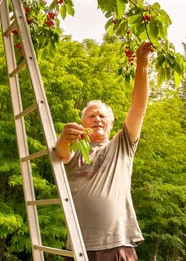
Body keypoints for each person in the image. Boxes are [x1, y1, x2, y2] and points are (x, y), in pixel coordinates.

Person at [55, 41, 154, 261]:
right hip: (78, 245)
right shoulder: (76, 149)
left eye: (102, 116)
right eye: (91, 116)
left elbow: (139, 106)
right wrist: (63, 137)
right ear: (83, 123)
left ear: (110, 123)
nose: (97, 119)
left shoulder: (122, 146)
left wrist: (142, 64)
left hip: (117, 244)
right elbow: (60, 152)